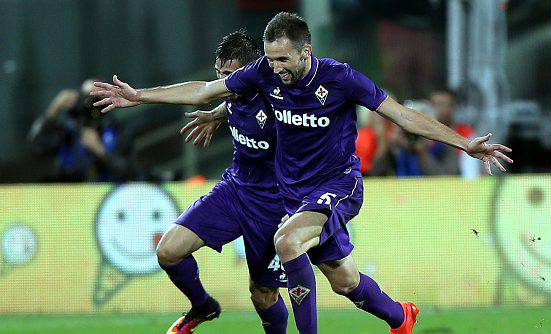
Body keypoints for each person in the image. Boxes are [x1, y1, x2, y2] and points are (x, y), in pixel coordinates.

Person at [92, 12, 512, 334]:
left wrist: (464, 144)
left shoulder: (341, 79)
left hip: (337, 184)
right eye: (270, 59)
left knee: (288, 241)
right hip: (290, 192)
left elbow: (401, 115)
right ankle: (400, 316)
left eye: (283, 60)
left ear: (305, 51)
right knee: (344, 280)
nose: (275, 68)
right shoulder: (262, 74)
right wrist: (140, 96)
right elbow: (205, 89)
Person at [108, 31, 290, 334]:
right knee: (168, 251)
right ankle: (203, 305)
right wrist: (219, 114)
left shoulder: (278, 97)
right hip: (234, 191)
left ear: (251, 70)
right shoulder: (232, 96)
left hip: (273, 204)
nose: (223, 82)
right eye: (220, 74)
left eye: (230, 75)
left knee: (262, 294)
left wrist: (139, 95)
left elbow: (210, 93)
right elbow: (211, 92)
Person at [28, 79, 134, 182]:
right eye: (86, 98)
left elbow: (129, 173)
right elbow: (37, 147)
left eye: (97, 98)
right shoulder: (69, 130)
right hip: (71, 194)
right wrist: (54, 108)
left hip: (109, 194)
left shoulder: (117, 129)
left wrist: (100, 150)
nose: (92, 105)